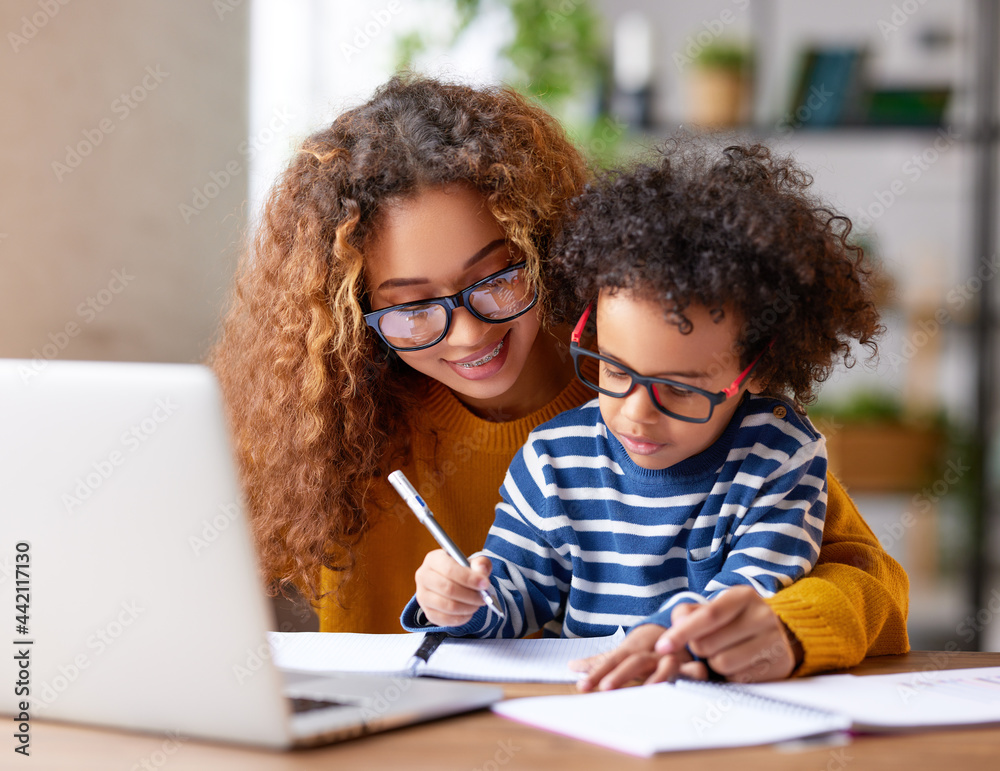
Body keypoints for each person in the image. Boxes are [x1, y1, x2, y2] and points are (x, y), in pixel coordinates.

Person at [209, 74, 909, 685]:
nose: (470, 333)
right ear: (354, 312)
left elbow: (868, 583)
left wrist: (784, 629)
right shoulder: (342, 432)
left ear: (548, 247)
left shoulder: (677, 383)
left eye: (498, 276)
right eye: (413, 308)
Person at [403, 141, 895, 688]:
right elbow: (519, 596)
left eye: (680, 390)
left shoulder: (777, 455)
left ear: (753, 371)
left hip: (718, 709)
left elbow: (751, 597)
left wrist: (655, 643)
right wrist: (462, 602)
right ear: (589, 330)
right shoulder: (551, 458)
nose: (637, 414)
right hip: (591, 709)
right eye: (614, 371)